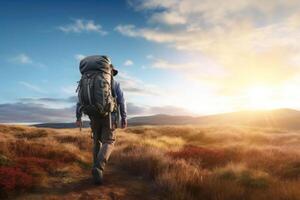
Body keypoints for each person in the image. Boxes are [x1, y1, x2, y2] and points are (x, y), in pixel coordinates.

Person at [75, 55, 127, 184]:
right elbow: (121, 100)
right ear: (110, 71)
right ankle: (98, 168)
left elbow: (79, 100)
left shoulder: (86, 79)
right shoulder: (114, 83)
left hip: (93, 115)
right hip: (109, 115)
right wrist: (124, 117)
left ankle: (95, 167)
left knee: (96, 141)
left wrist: (78, 116)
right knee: (109, 141)